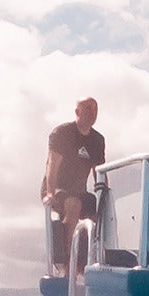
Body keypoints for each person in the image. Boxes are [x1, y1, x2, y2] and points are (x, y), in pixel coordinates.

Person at [42, 97, 104, 275]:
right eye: (88, 108)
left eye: (95, 109)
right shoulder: (62, 133)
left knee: (95, 207)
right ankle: (68, 260)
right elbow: (52, 165)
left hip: (79, 191)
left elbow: (99, 172)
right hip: (56, 187)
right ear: (78, 112)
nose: (93, 112)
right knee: (74, 204)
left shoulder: (97, 140)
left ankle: (88, 262)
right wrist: (50, 193)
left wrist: (105, 197)